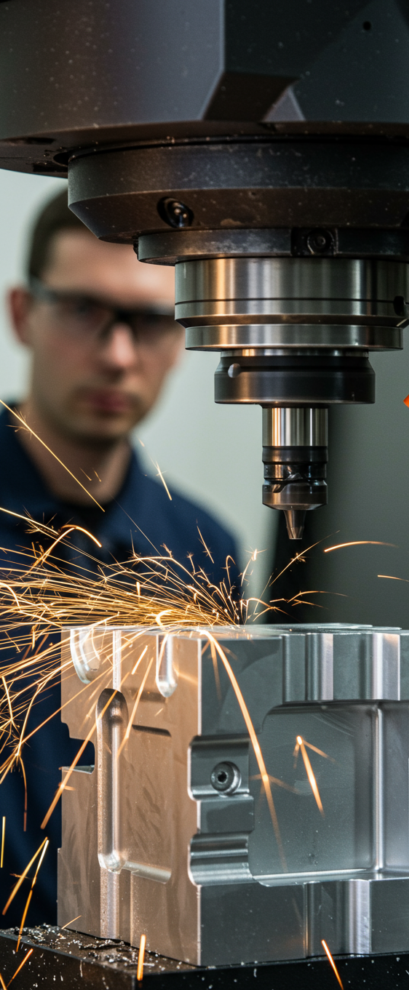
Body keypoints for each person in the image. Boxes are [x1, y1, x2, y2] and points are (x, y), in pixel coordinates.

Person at [0, 190, 239, 926]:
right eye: (83, 311)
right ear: (22, 315)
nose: (116, 354)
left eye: (152, 321)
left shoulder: (205, 550)